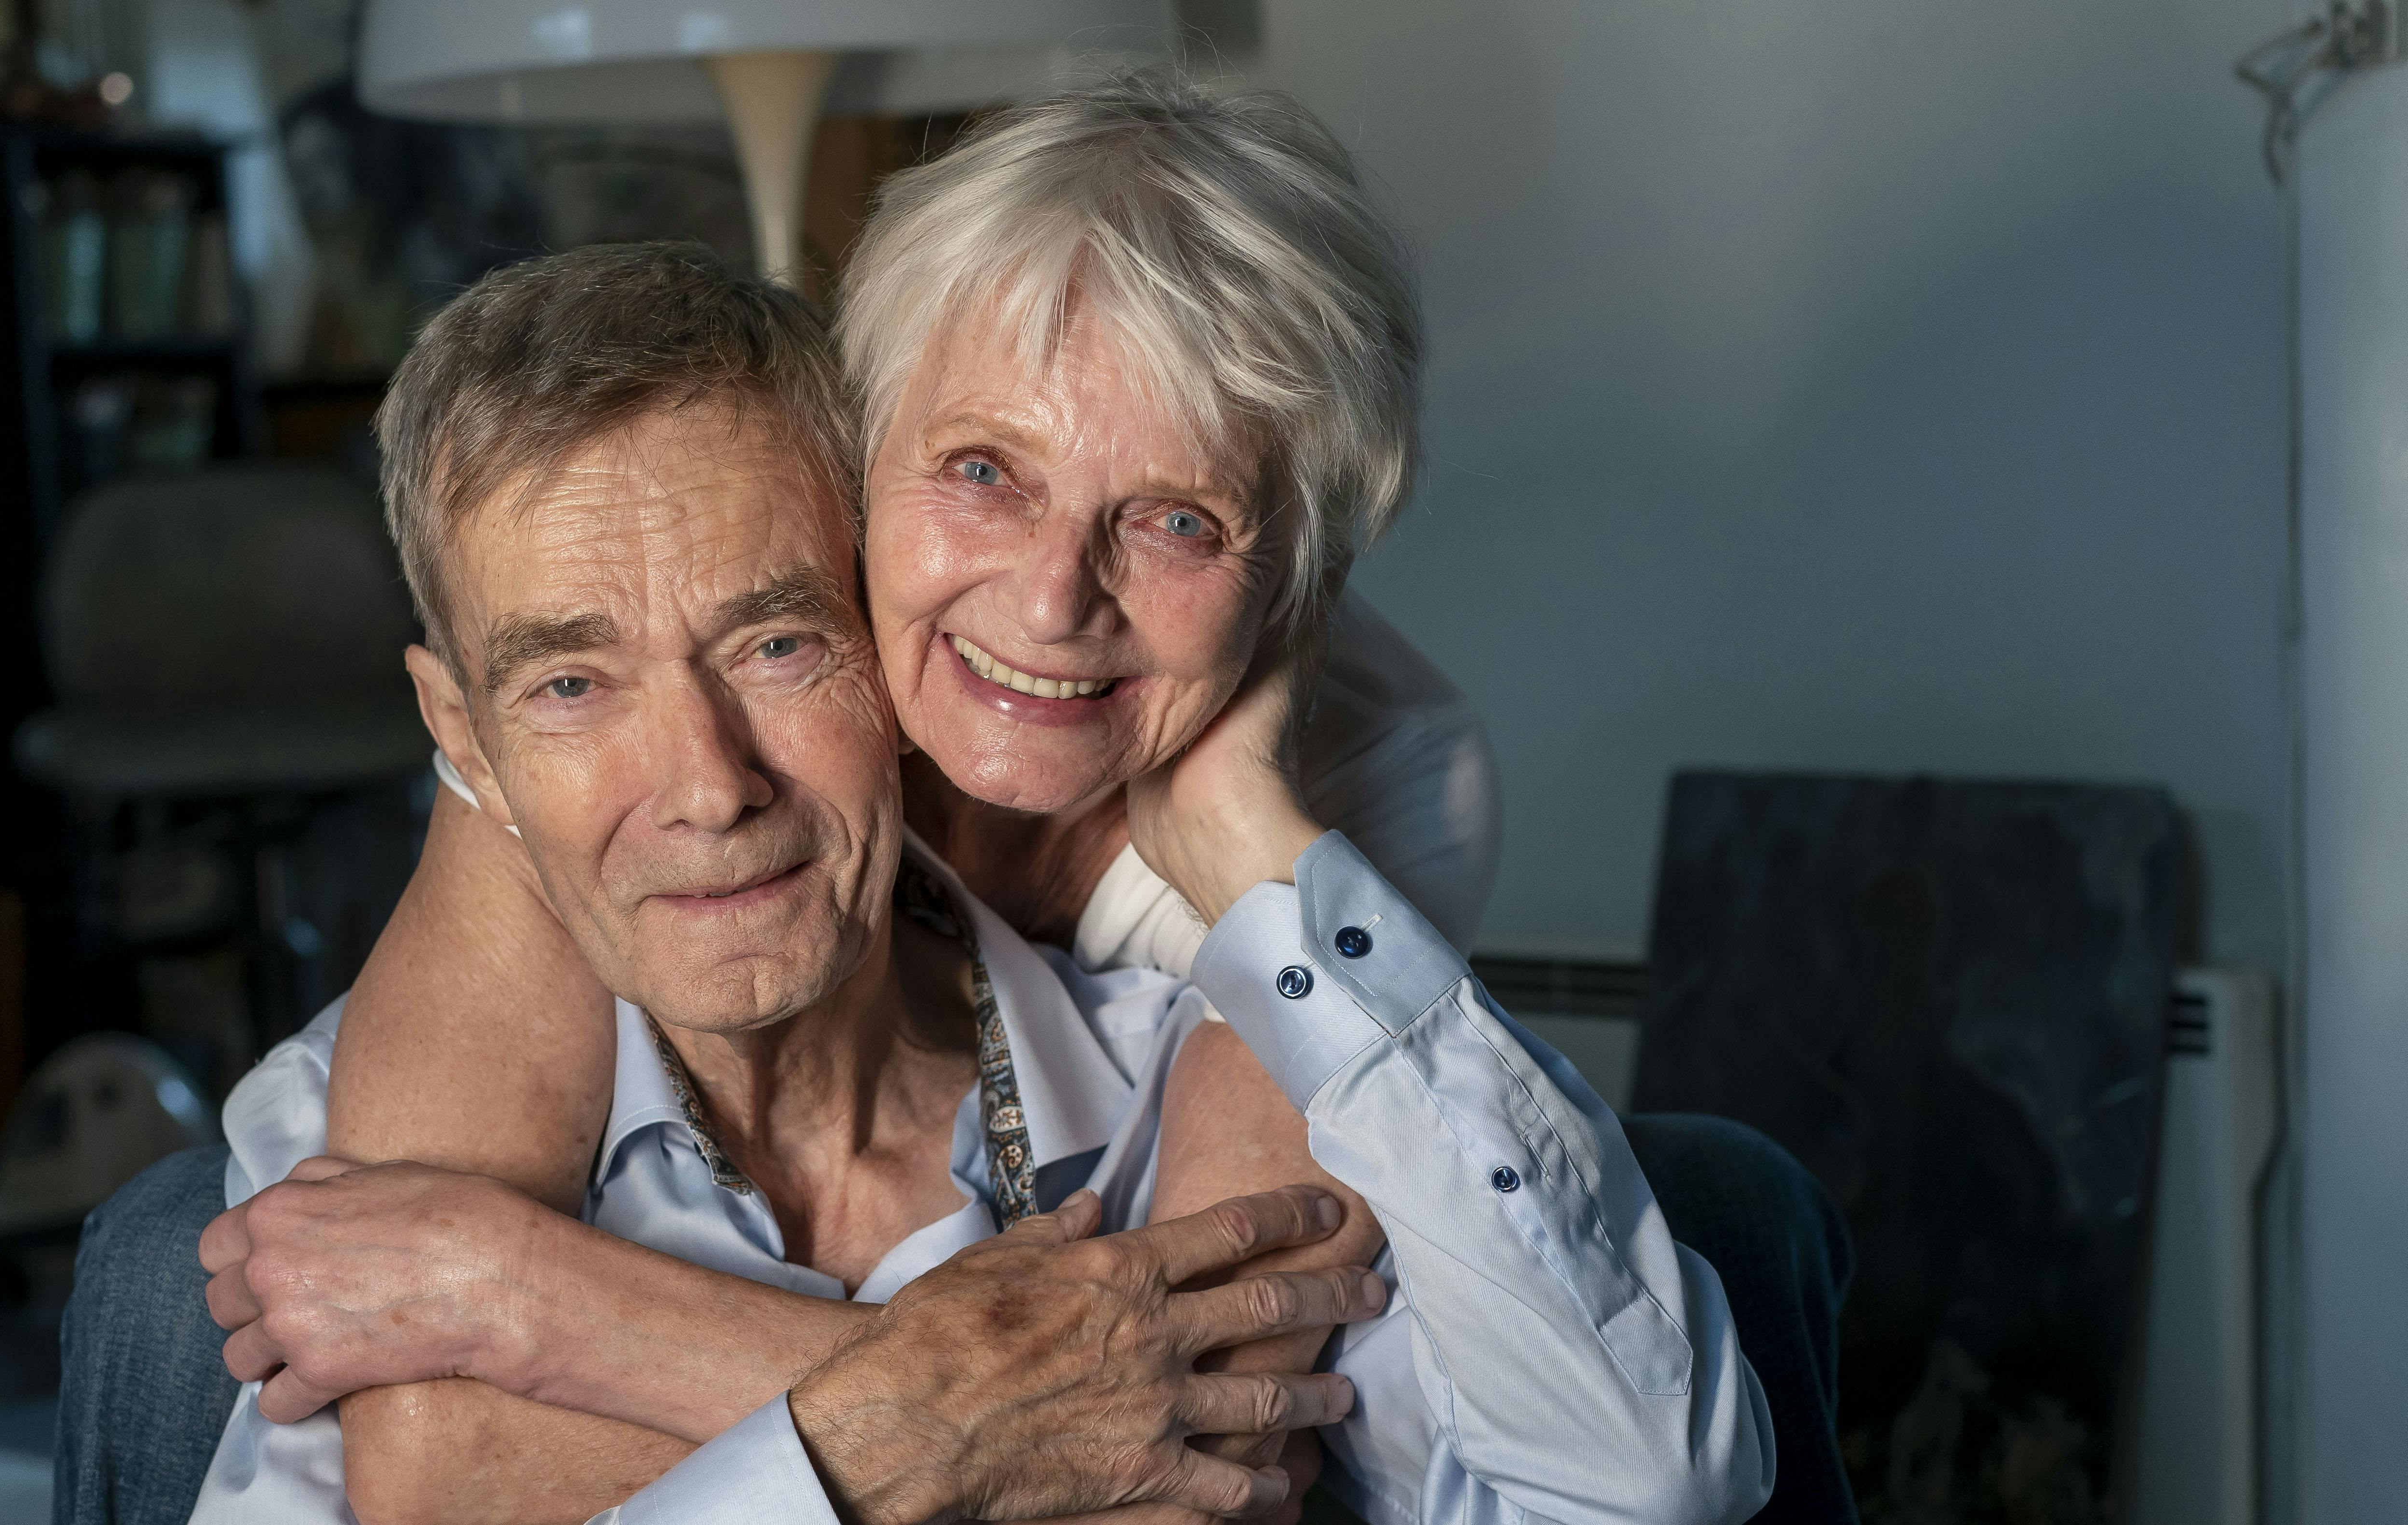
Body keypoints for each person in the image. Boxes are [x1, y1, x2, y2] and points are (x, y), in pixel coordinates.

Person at [179, 238, 1769, 1525]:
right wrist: (926, 1420)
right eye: (569, 689)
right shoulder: (351, 1167)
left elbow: (1640, 1491)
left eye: (781, 644)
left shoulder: (1204, 1101)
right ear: (466, 737)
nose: (710, 788)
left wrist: (1246, 826)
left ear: (905, 636)